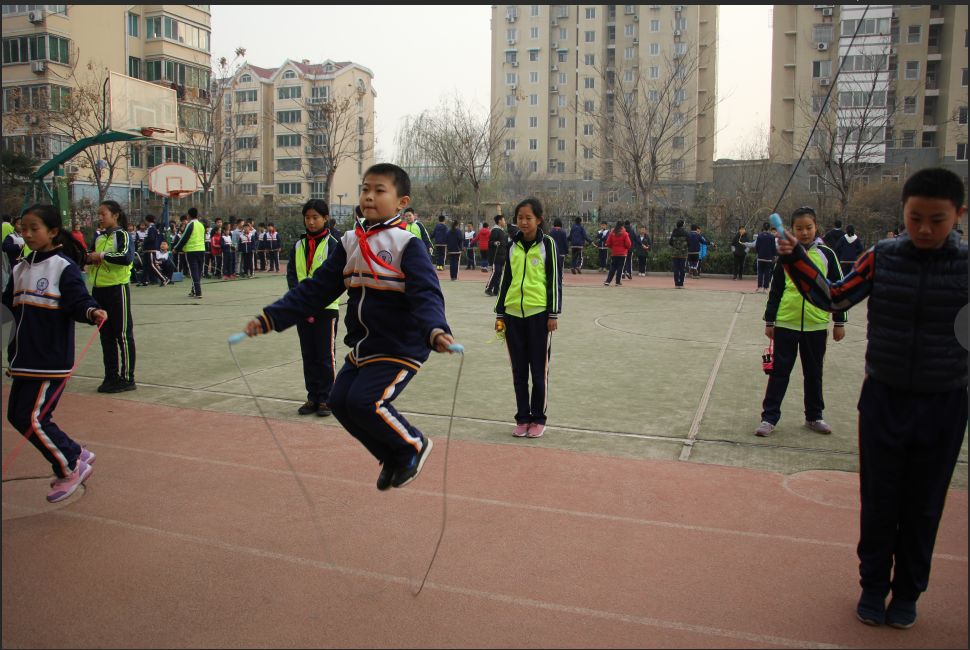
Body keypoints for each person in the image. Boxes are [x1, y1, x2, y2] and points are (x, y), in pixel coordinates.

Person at [775, 168, 967, 630]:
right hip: (884, 398)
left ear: (959, 215)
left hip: (944, 403)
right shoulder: (881, 257)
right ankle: (873, 585)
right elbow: (835, 299)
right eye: (914, 217)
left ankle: (908, 592)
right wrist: (796, 258)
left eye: (936, 220)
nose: (923, 229)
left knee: (925, 504)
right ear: (903, 212)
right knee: (879, 499)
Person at [243, 163, 457, 491]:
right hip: (363, 346)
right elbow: (316, 289)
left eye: (379, 190)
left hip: (399, 345)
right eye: (365, 189)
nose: (369, 196)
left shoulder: (405, 244)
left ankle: (413, 445)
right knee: (340, 402)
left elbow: (426, 294)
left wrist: (436, 330)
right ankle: (391, 456)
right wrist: (272, 318)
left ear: (402, 202)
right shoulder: (349, 242)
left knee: (364, 403)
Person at [3, 204, 107, 503]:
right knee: (18, 416)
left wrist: (91, 311)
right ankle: (73, 451)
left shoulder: (63, 267)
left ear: (52, 231)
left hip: (49, 358)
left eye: (34, 228)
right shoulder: (20, 266)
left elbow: (79, 300)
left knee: (32, 418)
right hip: (22, 358)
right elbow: (7, 305)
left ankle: (70, 467)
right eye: (23, 229)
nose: (28, 234)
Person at [755, 206, 846, 439]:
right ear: (792, 230)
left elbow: (839, 289)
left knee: (814, 372)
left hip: (816, 325)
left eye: (808, 227)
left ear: (816, 227)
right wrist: (770, 320)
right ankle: (769, 417)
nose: (804, 232)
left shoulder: (827, 254)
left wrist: (839, 322)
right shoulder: (786, 254)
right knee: (779, 373)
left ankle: (814, 416)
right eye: (799, 228)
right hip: (787, 322)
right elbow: (776, 290)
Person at [494, 197, 562, 438]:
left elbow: (554, 280)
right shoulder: (512, 245)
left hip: (539, 316)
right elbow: (506, 281)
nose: (523, 222)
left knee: (538, 371)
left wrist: (553, 313)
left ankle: (538, 418)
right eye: (519, 218)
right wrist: (500, 313)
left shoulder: (548, 245)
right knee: (519, 371)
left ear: (539, 220)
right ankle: (522, 418)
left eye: (528, 218)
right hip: (513, 316)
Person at [287, 199, 341, 418]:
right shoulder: (298, 246)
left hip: (325, 309)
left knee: (325, 355)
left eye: (315, 217)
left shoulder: (334, 245)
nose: (310, 222)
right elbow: (292, 274)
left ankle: (327, 398)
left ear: (325, 218)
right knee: (308, 354)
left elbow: (337, 278)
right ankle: (313, 396)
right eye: (307, 217)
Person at [86, 200, 136, 393]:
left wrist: (102, 256)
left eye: (103, 214)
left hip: (117, 289)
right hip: (99, 290)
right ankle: (111, 375)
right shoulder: (99, 237)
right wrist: (89, 259)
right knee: (105, 335)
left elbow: (126, 257)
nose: (100, 217)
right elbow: (90, 255)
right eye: (98, 214)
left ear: (115, 216)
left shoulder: (122, 235)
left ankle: (127, 378)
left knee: (122, 335)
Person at [172, 207, 205, 298]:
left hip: (191, 251)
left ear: (189, 215)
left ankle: (198, 292)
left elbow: (184, 238)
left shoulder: (190, 225)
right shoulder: (201, 225)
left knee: (194, 271)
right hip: (201, 250)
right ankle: (194, 290)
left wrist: (176, 248)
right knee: (198, 271)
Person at [138, 214, 167, 286]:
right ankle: (144, 281)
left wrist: (144, 241)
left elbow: (151, 238)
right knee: (145, 266)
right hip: (148, 249)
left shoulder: (151, 228)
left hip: (150, 249)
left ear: (147, 220)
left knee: (152, 265)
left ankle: (163, 279)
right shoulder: (152, 228)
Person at [485, 214, 510, 296]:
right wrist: (495, 243)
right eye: (503, 220)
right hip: (496, 256)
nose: (505, 222)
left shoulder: (502, 231)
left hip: (502, 256)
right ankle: (488, 288)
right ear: (499, 221)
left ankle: (496, 290)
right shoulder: (495, 230)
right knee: (496, 272)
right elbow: (490, 242)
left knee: (499, 272)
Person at [604, 221, 631, 287]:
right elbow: (628, 244)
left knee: (613, 267)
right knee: (620, 268)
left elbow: (608, 243)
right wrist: (625, 248)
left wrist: (612, 247)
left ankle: (608, 281)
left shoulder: (612, 233)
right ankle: (617, 282)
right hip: (622, 253)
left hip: (614, 253)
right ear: (623, 226)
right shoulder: (625, 233)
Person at [754, 222, 777, 293]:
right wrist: (774, 255)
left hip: (760, 256)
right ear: (769, 228)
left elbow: (757, 246)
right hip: (768, 258)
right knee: (767, 272)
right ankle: (766, 288)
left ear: (763, 228)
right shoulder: (772, 237)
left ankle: (759, 287)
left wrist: (758, 253)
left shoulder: (759, 236)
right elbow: (773, 248)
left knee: (760, 272)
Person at [668, 219, 689, 288]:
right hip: (683, 254)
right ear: (683, 225)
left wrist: (675, 247)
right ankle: (681, 284)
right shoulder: (685, 233)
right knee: (682, 269)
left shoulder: (674, 232)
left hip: (675, 254)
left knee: (676, 269)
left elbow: (670, 243)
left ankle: (676, 284)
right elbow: (689, 243)